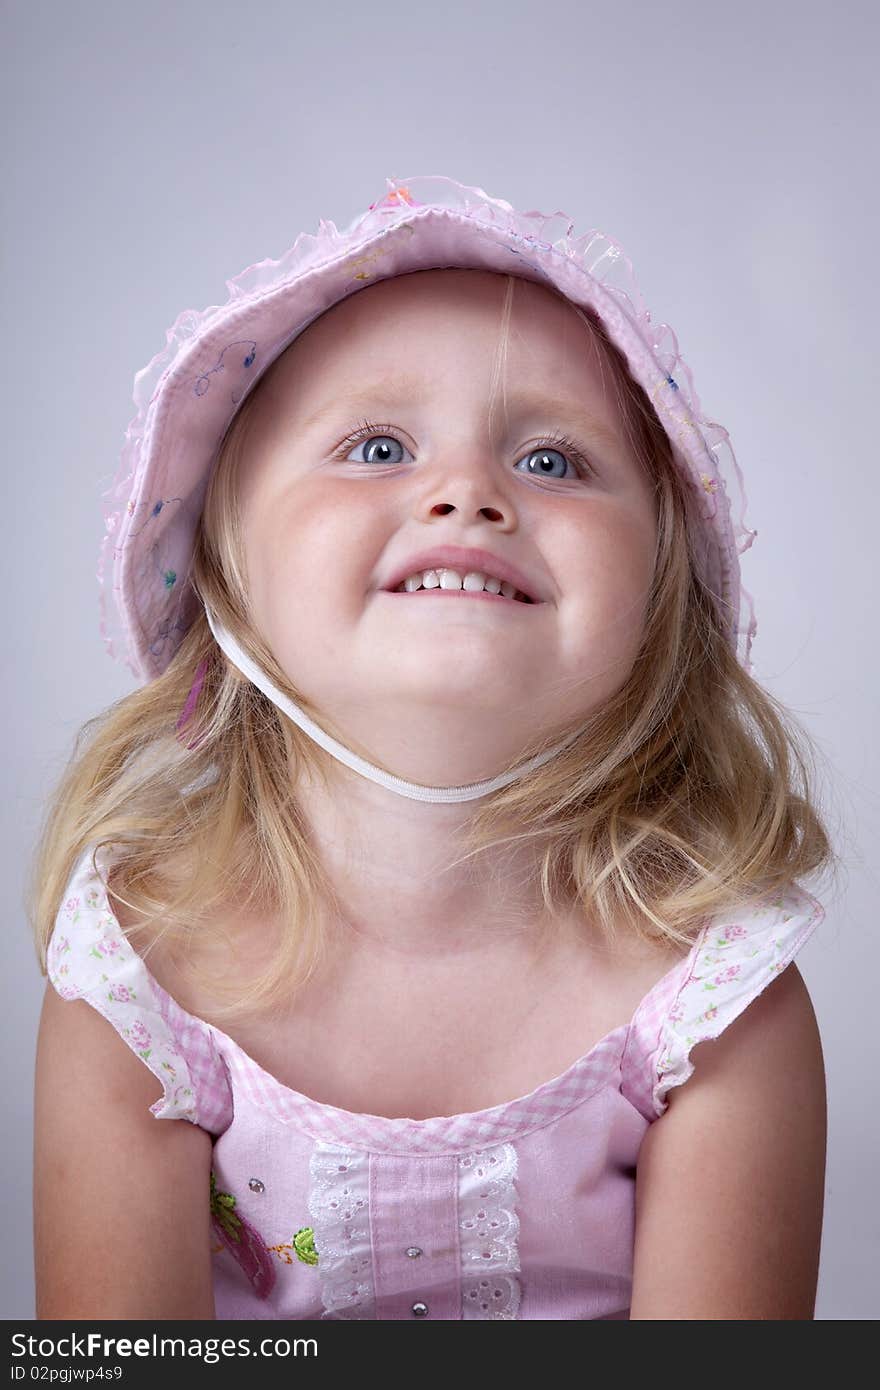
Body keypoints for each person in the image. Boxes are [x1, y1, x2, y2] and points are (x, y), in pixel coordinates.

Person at [29, 176, 836, 1320]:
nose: (467, 493)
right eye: (375, 445)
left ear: (658, 603)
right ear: (226, 571)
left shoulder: (712, 1003)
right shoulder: (142, 980)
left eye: (553, 460)